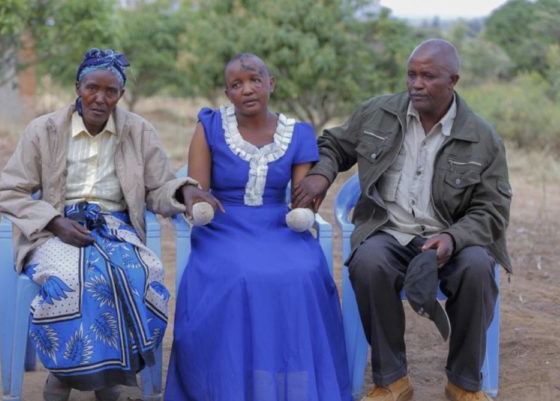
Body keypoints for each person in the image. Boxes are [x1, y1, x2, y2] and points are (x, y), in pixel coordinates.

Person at [293, 39, 512, 401]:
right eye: (411, 74)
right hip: (389, 231)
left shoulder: (482, 138)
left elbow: (492, 210)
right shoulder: (379, 113)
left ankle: (463, 382)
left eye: (428, 76)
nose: (416, 83)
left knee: (477, 268)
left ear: (453, 80)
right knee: (368, 262)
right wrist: (322, 174)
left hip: (451, 239)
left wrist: (453, 239)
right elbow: (334, 143)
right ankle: (392, 379)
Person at [0, 48, 212, 401]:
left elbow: (157, 187)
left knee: (141, 275)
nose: (100, 98)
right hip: (55, 228)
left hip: (116, 229)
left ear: (120, 95)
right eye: (92, 88)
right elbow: (10, 189)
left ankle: (113, 375)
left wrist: (184, 192)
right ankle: (63, 374)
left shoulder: (139, 131)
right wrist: (55, 221)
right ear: (78, 87)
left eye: (110, 91)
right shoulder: (44, 130)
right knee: (71, 280)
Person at [164, 53, 353, 401]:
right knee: (238, 276)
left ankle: (288, 383)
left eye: (254, 80)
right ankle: (229, 385)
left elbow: (300, 201)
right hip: (224, 225)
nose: (247, 89)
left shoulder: (296, 133)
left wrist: (303, 212)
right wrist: (195, 198)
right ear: (227, 93)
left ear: (271, 84)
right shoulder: (209, 126)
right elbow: (198, 188)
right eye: (236, 84)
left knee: (301, 273)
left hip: (279, 225)